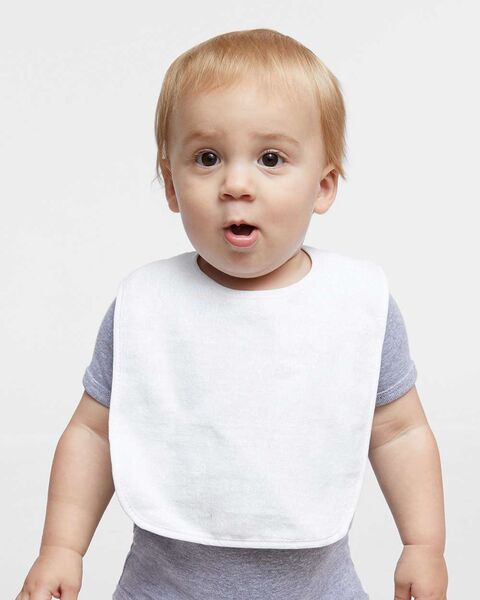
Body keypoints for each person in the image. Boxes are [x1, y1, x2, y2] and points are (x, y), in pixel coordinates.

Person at [16, 28, 448, 600]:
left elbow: (399, 432)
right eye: (207, 158)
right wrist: (61, 548)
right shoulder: (146, 306)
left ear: (323, 185)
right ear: (171, 185)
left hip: (317, 589)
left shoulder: (356, 305)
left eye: (270, 159)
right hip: (161, 586)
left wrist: (424, 545)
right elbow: (93, 434)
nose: (235, 184)